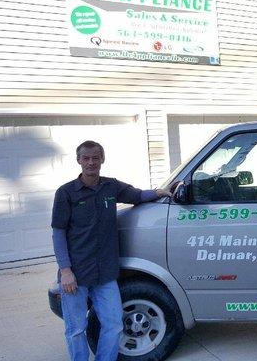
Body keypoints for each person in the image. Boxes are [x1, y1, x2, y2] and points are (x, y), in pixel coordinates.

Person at [51, 140, 171, 361]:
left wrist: (159, 192)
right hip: (76, 274)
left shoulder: (111, 187)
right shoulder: (66, 193)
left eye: (95, 158)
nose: (91, 162)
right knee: (76, 329)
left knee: (114, 324)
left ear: (102, 159)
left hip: (106, 273)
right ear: (78, 161)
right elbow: (58, 233)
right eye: (86, 158)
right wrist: (65, 270)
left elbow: (137, 195)